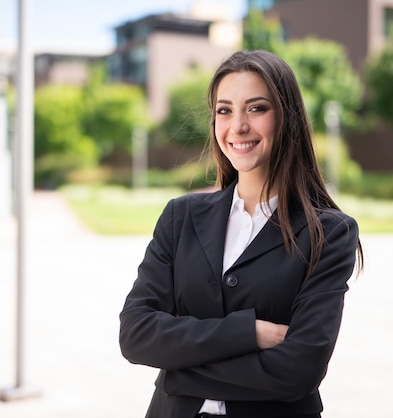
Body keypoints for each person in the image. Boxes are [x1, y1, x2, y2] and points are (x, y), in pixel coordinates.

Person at [119, 50, 364, 418]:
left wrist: (178, 370)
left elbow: (299, 370)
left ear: (287, 117)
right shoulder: (180, 216)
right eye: (224, 110)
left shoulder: (329, 233)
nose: (238, 126)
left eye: (256, 108)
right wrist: (249, 333)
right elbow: (137, 334)